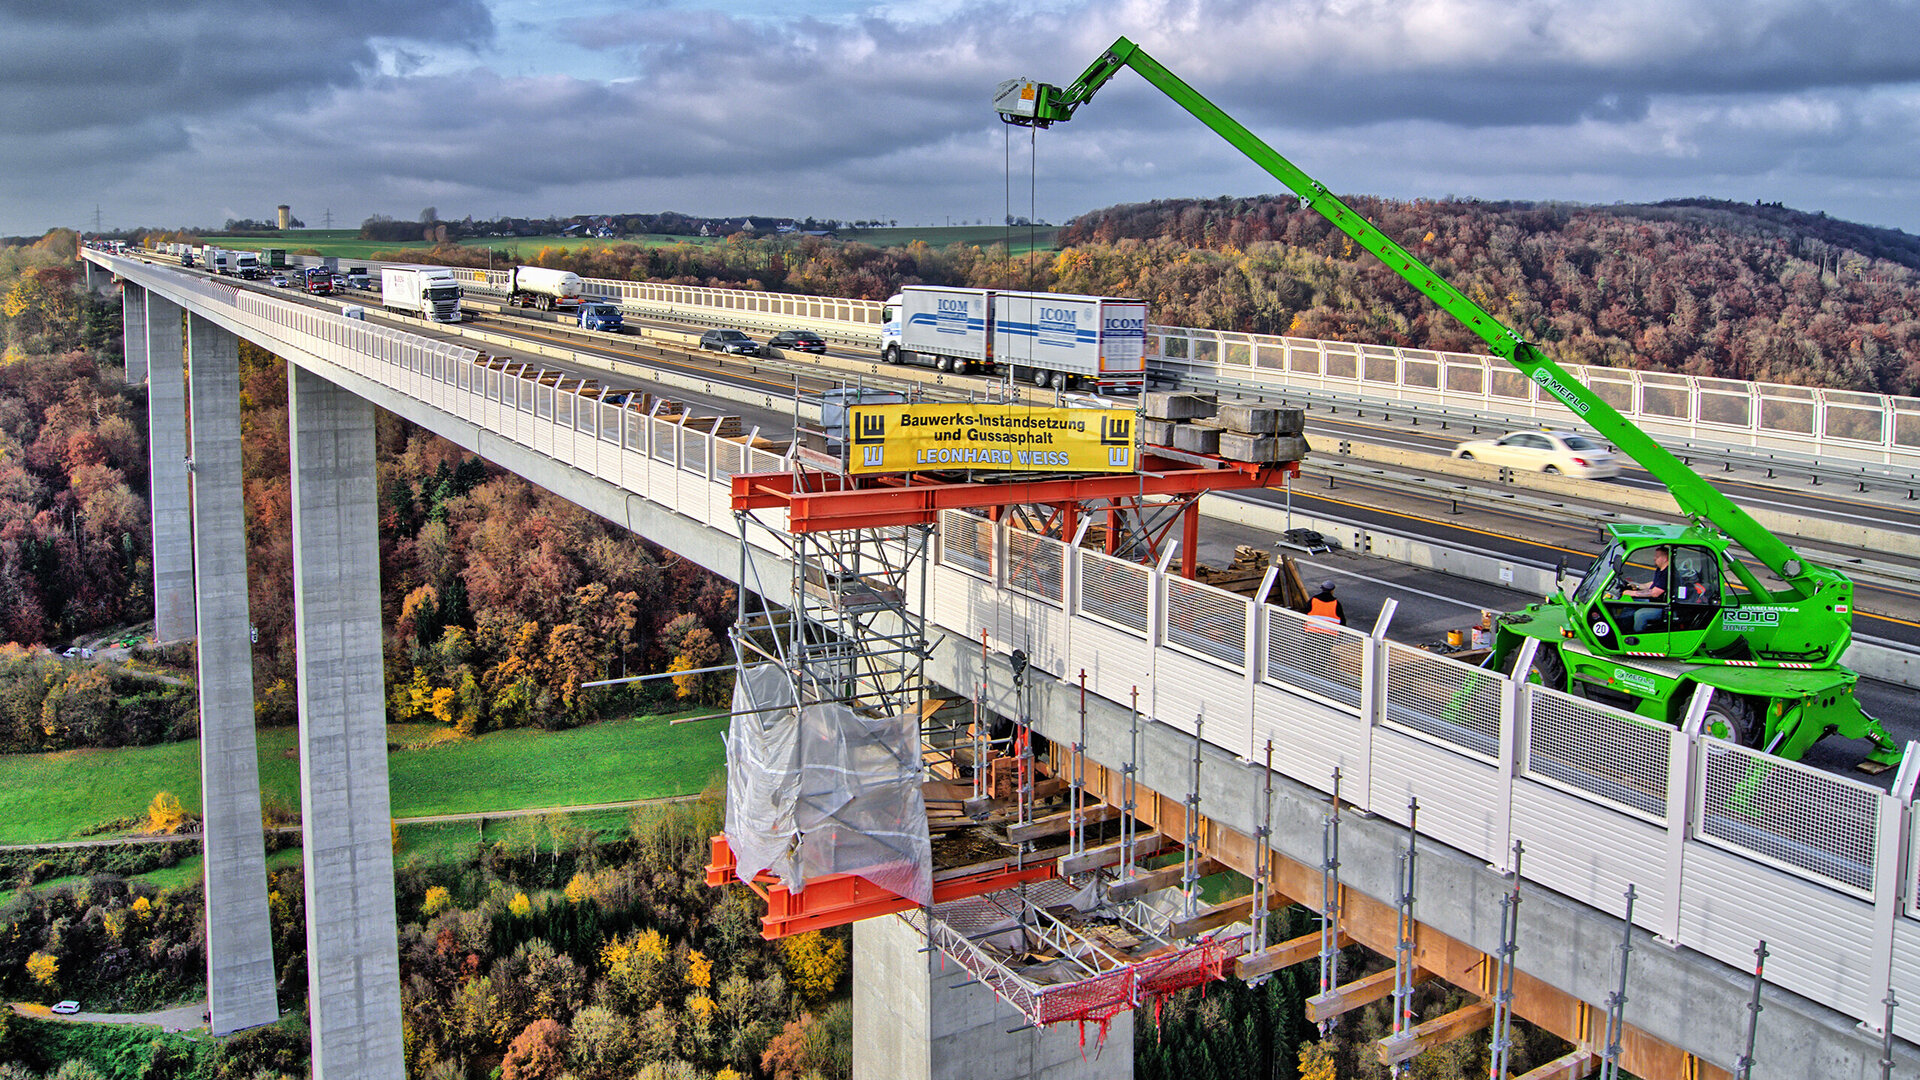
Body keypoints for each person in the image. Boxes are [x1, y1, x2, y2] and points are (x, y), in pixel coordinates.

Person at [1621, 546, 1670, 632]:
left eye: (1657, 556)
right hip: (1654, 602)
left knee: (1640, 615)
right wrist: (1637, 586)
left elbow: (1655, 593)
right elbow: (1653, 584)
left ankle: (1636, 635)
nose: (1654, 558)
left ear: (1665, 558)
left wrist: (1632, 593)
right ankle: (1625, 626)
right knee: (1629, 604)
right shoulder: (1660, 569)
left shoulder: (1667, 573)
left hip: (1662, 607)